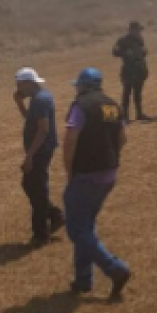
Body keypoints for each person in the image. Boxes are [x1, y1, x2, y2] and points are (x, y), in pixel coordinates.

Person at [62, 67, 131, 298]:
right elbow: (123, 138)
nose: (76, 89)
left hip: (86, 175)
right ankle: (83, 280)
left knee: (76, 229)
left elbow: (70, 140)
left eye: (78, 85)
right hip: (108, 174)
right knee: (86, 226)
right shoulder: (113, 105)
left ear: (84, 85)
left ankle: (115, 268)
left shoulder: (81, 106)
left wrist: (69, 171)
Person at [13, 67, 65, 245]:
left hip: (40, 150)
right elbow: (30, 119)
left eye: (20, 85)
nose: (18, 89)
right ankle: (55, 215)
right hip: (40, 149)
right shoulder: (38, 98)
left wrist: (29, 156)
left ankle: (41, 234)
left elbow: (43, 130)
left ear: (29, 83)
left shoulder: (40, 100)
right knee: (30, 185)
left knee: (37, 188)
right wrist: (19, 103)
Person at [112, 20, 150, 121]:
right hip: (128, 70)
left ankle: (139, 113)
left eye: (139, 30)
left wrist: (143, 52)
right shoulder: (122, 40)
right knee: (126, 93)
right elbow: (114, 51)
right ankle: (125, 115)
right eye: (137, 30)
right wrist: (125, 52)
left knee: (137, 93)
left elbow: (143, 52)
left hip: (139, 69)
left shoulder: (139, 39)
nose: (139, 32)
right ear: (132, 30)